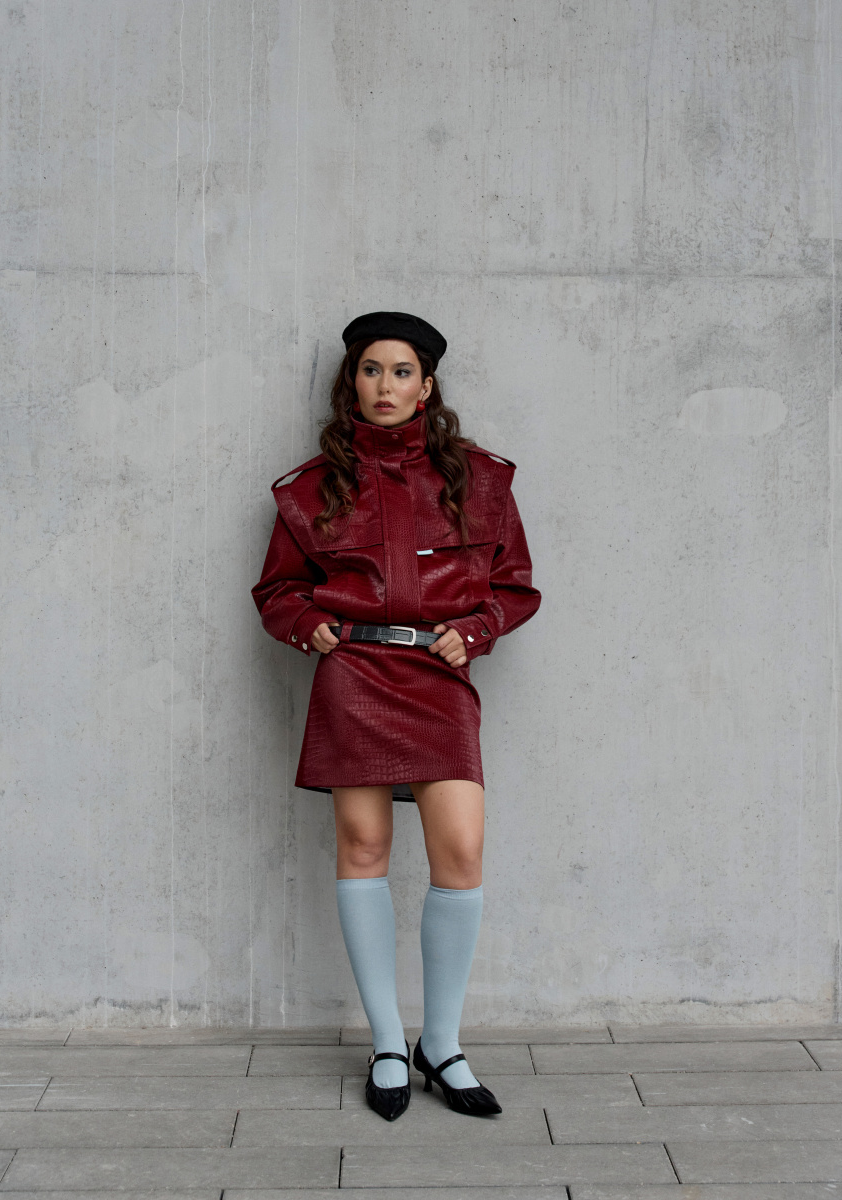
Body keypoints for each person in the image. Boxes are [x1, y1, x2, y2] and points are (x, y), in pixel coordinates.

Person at [252, 311, 541, 1121]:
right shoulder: (310, 488)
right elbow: (277, 590)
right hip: (354, 674)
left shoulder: (481, 480)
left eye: (402, 371)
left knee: (462, 849)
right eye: (371, 370)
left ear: (428, 385)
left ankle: (440, 1044)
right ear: (352, 382)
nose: (386, 385)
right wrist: (307, 623)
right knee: (363, 846)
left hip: (437, 677)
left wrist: (475, 630)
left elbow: (514, 586)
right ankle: (386, 1040)